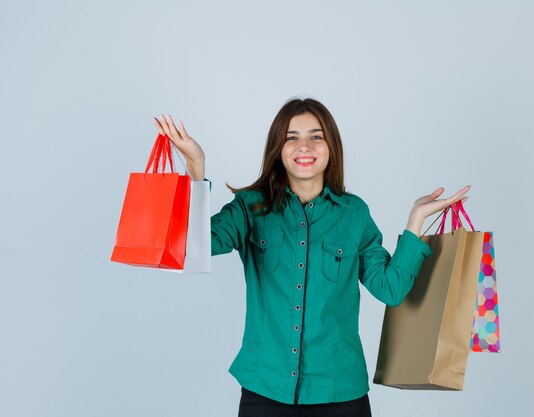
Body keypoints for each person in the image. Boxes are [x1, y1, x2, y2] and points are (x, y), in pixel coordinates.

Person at [153, 97, 470, 417]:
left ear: (331, 147)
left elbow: (390, 288)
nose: (304, 146)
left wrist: (415, 221)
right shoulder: (250, 207)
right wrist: (196, 167)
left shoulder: (354, 213)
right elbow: (191, 248)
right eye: (292, 138)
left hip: (340, 393)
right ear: (278, 148)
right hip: (265, 390)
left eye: (316, 136)